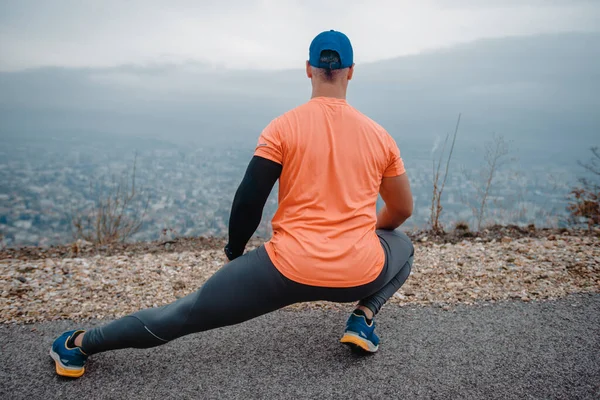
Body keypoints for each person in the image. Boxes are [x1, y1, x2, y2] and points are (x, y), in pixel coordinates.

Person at [49, 29, 415, 378]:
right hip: (358, 274)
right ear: (351, 72)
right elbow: (401, 211)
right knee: (404, 246)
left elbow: (248, 199)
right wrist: (363, 236)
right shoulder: (380, 137)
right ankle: (363, 316)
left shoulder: (284, 127)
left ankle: (77, 347)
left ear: (308, 69)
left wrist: (235, 252)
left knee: (182, 315)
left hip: (282, 270)